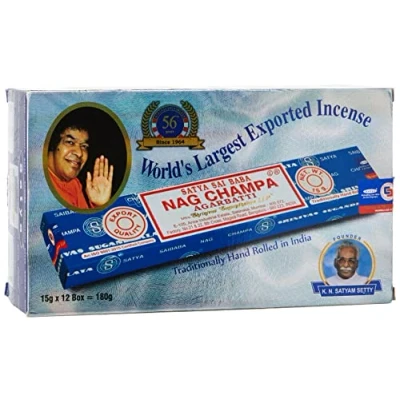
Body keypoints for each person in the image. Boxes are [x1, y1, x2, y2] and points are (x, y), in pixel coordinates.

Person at [47, 122, 113, 209]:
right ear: (52, 144)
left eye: (84, 146)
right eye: (70, 142)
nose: (79, 153)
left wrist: (99, 204)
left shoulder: (74, 184)